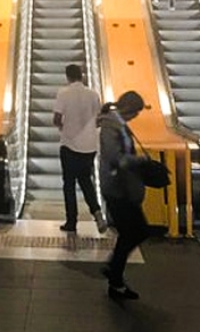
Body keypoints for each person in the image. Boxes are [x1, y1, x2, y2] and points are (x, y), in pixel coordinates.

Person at [99, 90, 152, 301]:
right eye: (136, 112)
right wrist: (138, 161)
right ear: (128, 108)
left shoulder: (118, 123)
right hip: (116, 187)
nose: (136, 117)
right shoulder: (111, 125)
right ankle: (114, 272)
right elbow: (115, 158)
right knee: (137, 231)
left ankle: (115, 277)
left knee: (132, 232)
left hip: (122, 187)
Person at [54, 64, 106, 234]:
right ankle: (97, 212)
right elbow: (99, 120)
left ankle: (71, 221)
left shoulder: (63, 93)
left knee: (69, 184)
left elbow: (56, 118)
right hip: (89, 147)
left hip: (69, 145)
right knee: (85, 181)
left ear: (67, 77)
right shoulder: (93, 94)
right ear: (82, 76)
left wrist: (63, 128)